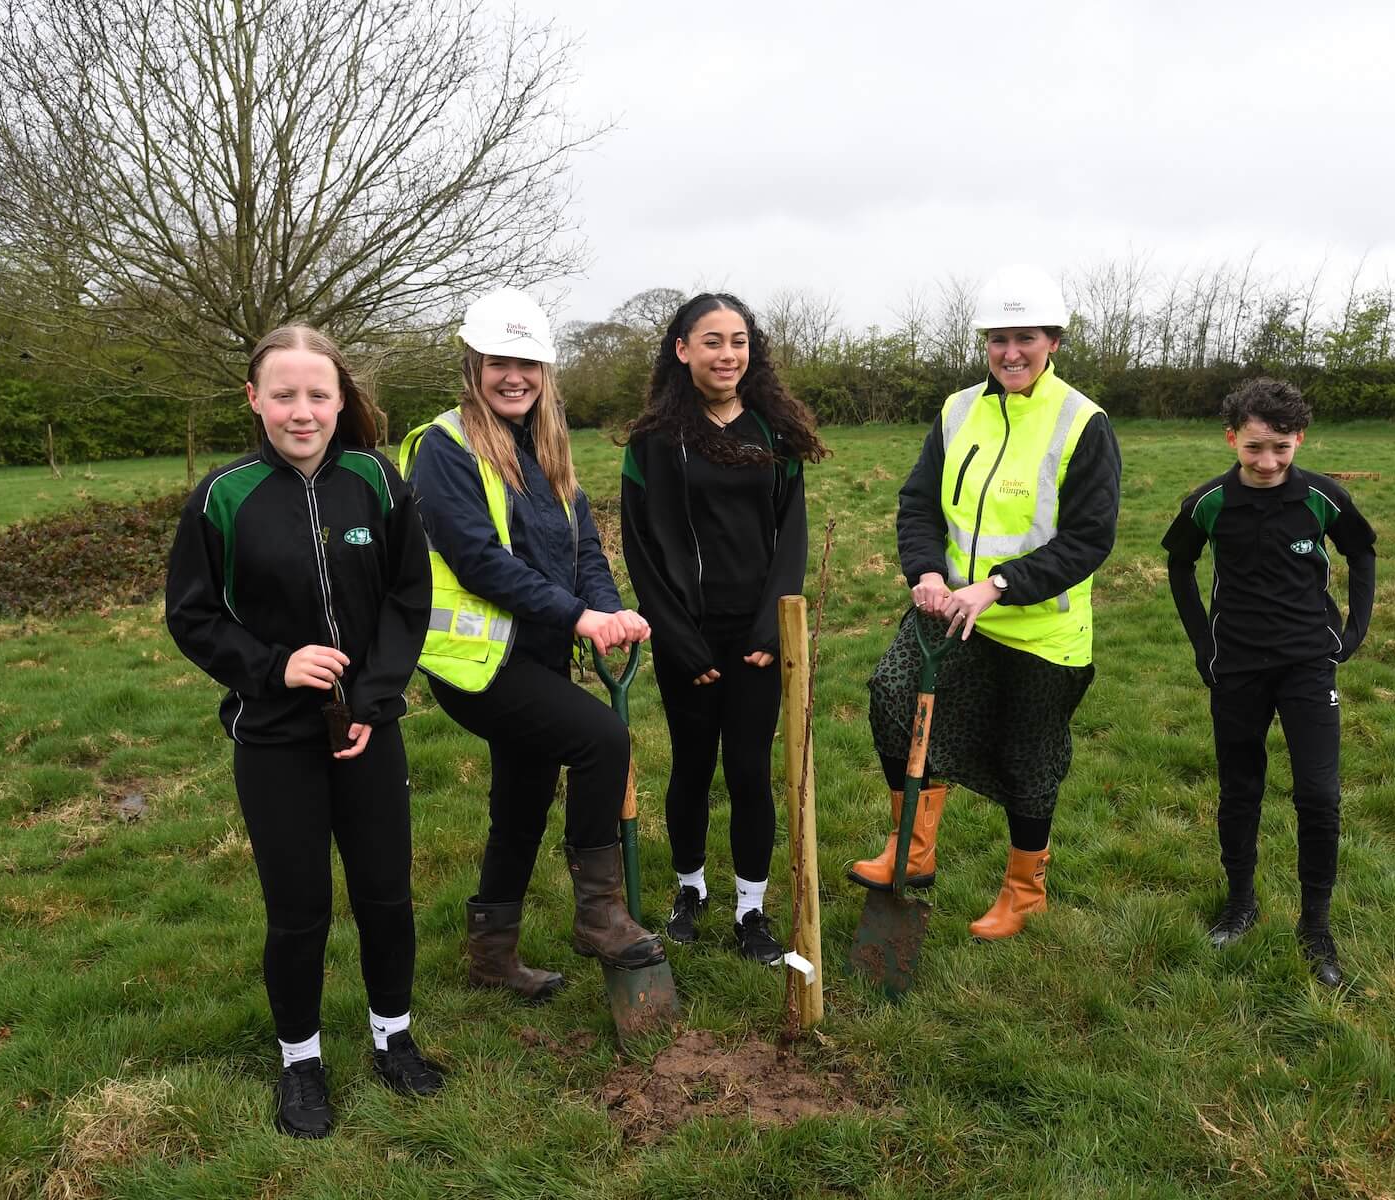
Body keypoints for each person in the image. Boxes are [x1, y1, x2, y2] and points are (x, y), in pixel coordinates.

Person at [165, 325, 442, 1140]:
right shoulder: (223, 497)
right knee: (299, 911)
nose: (302, 410)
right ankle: (301, 1061)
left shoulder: (377, 483)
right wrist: (274, 666)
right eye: (282, 394)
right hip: (275, 738)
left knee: (387, 894)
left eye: (318, 394)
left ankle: (394, 1036)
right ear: (254, 400)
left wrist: (375, 697)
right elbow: (192, 615)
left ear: (341, 399)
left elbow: (408, 598)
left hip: (370, 730)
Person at [400, 287, 664, 1004]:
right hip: (478, 665)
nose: (514, 376)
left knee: (521, 799)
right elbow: (480, 559)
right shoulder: (444, 448)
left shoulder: (546, 448)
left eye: (528, 363)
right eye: (498, 362)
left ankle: (492, 955)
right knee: (602, 740)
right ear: (473, 365)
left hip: (536, 654)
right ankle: (599, 914)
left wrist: (610, 612)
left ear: (545, 372)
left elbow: (584, 552)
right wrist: (581, 618)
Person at [850, 266, 1121, 940]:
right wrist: (927, 572)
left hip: (1038, 632)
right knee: (893, 698)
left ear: (1052, 341)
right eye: (998, 338)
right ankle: (912, 852)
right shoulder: (957, 409)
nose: (1009, 353)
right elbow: (918, 503)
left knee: (1028, 760)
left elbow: (1090, 538)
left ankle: (1024, 891)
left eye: (1024, 338)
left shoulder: (1083, 423)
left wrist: (998, 584)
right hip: (947, 616)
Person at [618, 293, 829, 962]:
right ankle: (690, 891)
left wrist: (772, 628)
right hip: (687, 636)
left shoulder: (773, 433)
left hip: (756, 640)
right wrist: (674, 634)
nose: (727, 354)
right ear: (682, 350)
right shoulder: (654, 441)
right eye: (712, 341)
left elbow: (790, 538)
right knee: (691, 766)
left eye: (738, 341)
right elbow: (639, 545)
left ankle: (751, 909)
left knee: (748, 770)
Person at [1160, 377, 1376, 988]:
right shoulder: (1209, 503)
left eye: (1281, 448)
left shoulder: (1321, 498)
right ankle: (1240, 903)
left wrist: (1353, 631)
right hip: (1237, 667)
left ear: (1299, 439)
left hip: (1309, 664)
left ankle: (1316, 925)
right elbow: (1178, 563)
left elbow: (1362, 552)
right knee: (1240, 789)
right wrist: (1204, 644)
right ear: (1232, 438)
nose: (1268, 461)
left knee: (1319, 795)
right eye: (1254, 447)